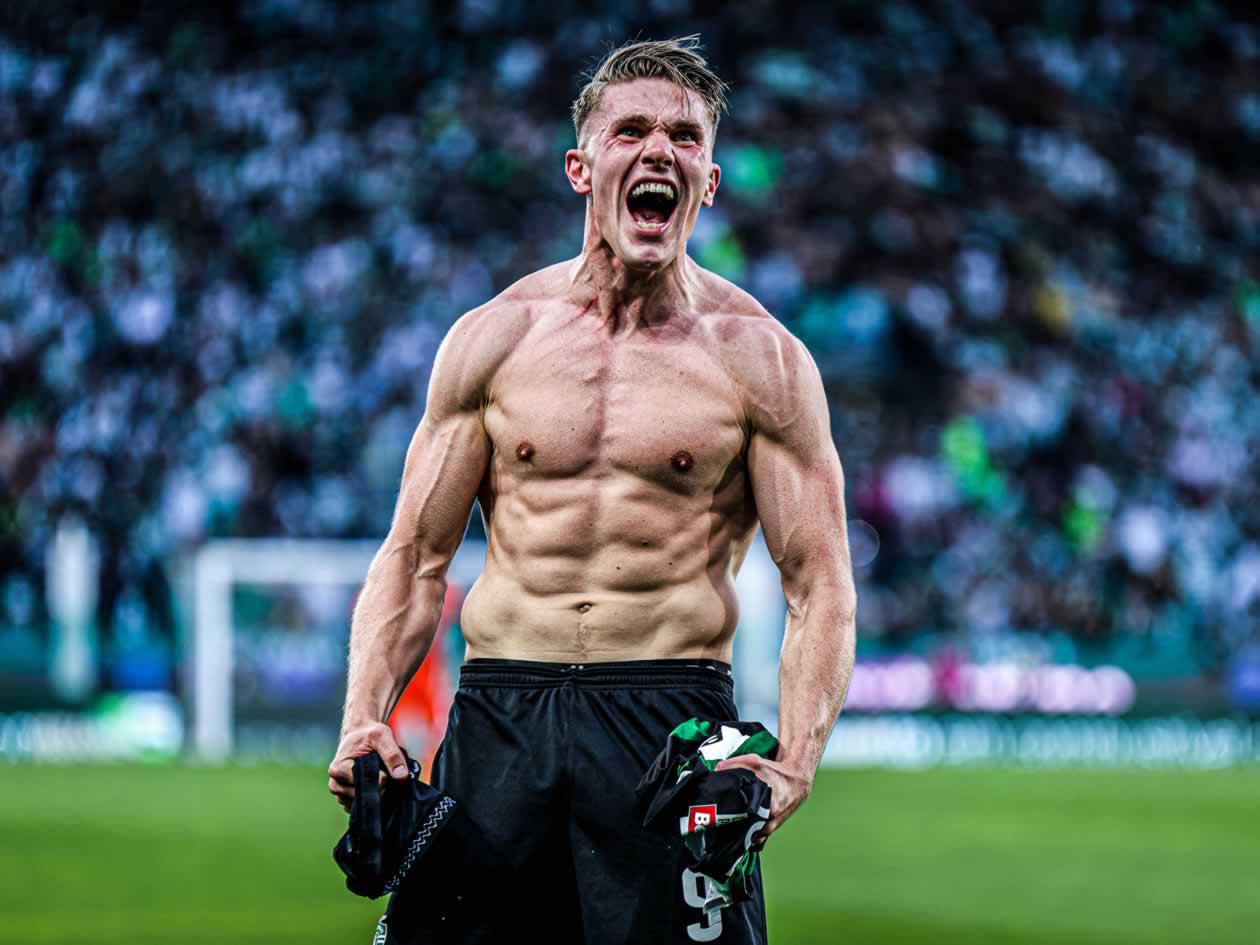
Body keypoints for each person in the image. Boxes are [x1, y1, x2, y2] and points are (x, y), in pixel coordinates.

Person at [327, 34, 857, 944]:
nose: (660, 152)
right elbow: (413, 559)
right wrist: (361, 719)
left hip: (666, 727)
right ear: (581, 168)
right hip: (500, 718)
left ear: (709, 182)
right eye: (632, 132)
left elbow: (821, 583)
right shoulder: (493, 339)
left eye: (685, 138)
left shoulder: (763, 359)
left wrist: (794, 765)